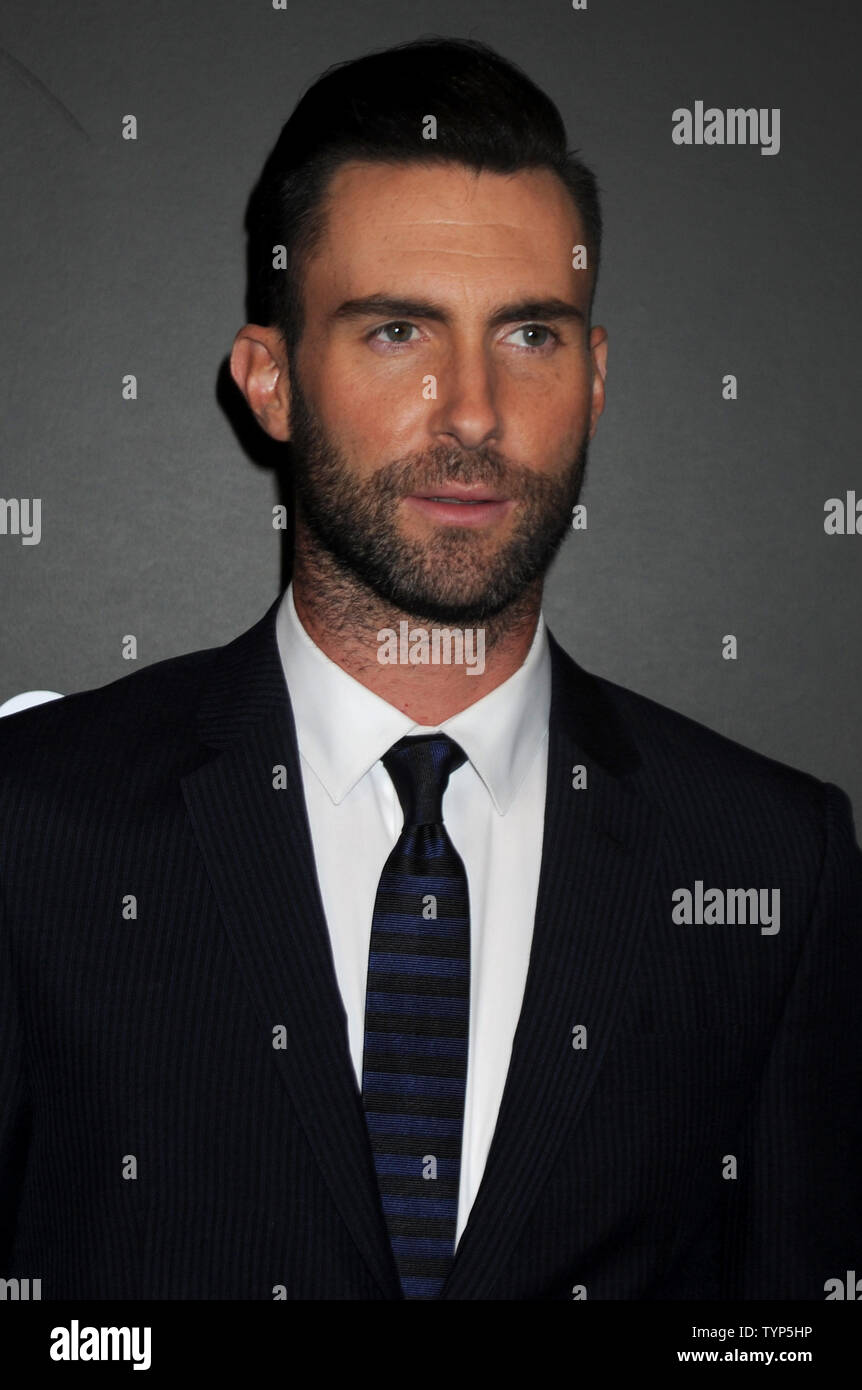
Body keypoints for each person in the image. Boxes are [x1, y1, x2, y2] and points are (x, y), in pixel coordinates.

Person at [1, 36, 859, 1302]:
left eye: (528, 333)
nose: (470, 410)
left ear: (597, 376)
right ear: (271, 379)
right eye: (398, 329)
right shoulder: (32, 825)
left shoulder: (769, 862)